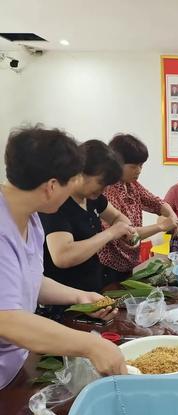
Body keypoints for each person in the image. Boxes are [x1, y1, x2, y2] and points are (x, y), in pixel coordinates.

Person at [0, 126, 127, 389]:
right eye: (71, 182)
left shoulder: (31, 218)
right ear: (51, 186)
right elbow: (7, 318)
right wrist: (91, 345)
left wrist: (79, 296)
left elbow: (32, 281)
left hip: (15, 366)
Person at [40, 140, 135, 294]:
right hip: (64, 297)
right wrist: (110, 233)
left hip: (91, 292)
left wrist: (127, 231)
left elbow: (117, 216)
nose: (103, 189)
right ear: (79, 171)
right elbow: (62, 256)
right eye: (100, 182)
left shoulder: (93, 198)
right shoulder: (56, 203)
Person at [100, 134, 178, 284]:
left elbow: (157, 202)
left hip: (130, 263)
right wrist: (162, 226)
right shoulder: (107, 190)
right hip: (109, 267)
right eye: (133, 166)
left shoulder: (132, 185)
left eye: (141, 165)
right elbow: (127, 234)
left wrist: (172, 217)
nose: (139, 170)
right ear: (116, 163)